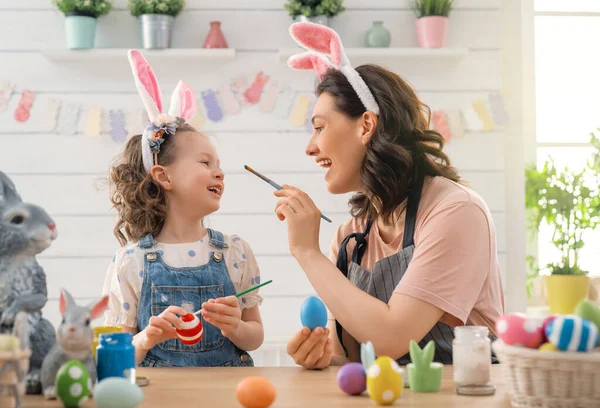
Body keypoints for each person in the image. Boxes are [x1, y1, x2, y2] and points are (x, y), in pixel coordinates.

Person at [276, 23, 504, 369]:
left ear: (366, 126)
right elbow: (357, 357)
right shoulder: (351, 239)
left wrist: (306, 251)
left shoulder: (456, 212)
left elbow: (392, 336)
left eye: (320, 127)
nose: (311, 147)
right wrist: (325, 358)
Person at [101, 50, 264, 367]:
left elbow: (255, 336)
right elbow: (114, 358)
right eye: (205, 162)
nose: (219, 172)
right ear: (164, 175)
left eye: (218, 164)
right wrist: (146, 337)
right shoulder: (130, 261)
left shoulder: (236, 252)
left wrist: (237, 327)